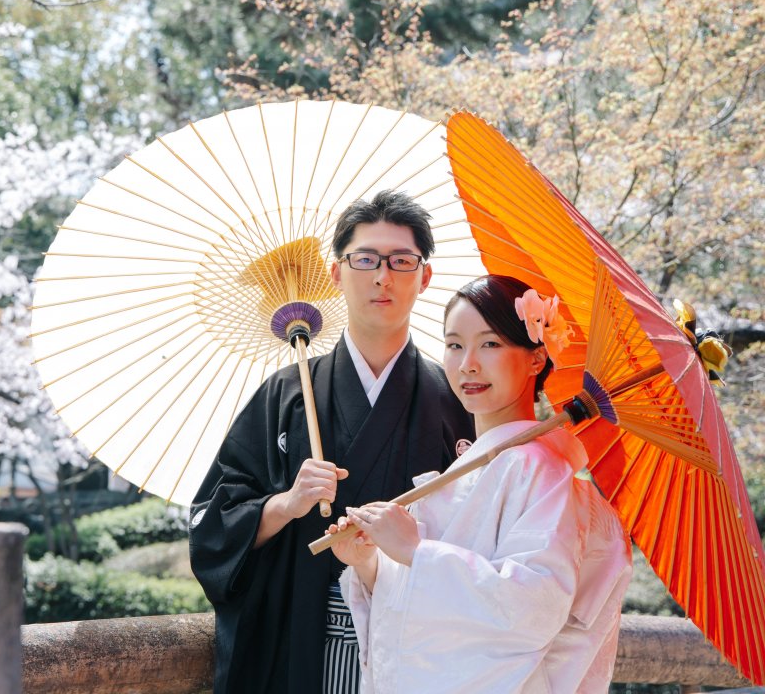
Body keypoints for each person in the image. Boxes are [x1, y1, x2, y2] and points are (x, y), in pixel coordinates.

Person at [189, 190, 475, 694]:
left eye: (401, 261)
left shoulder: (453, 400)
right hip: (297, 638)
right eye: (364, 259)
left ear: (424, 277)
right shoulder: (284, 394)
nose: (382, 276)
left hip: (413, 646)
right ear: (336, 274)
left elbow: (476, 539)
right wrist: (285, 504)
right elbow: (212, 526)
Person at [330, 274, 633, 693]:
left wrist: (416, 551)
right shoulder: (484, 463)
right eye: (454, 344)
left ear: (535, 357)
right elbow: (424, 604)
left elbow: (533, 603)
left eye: (489, 344)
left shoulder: (542, 467)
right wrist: (371, 563)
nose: (467, 362)